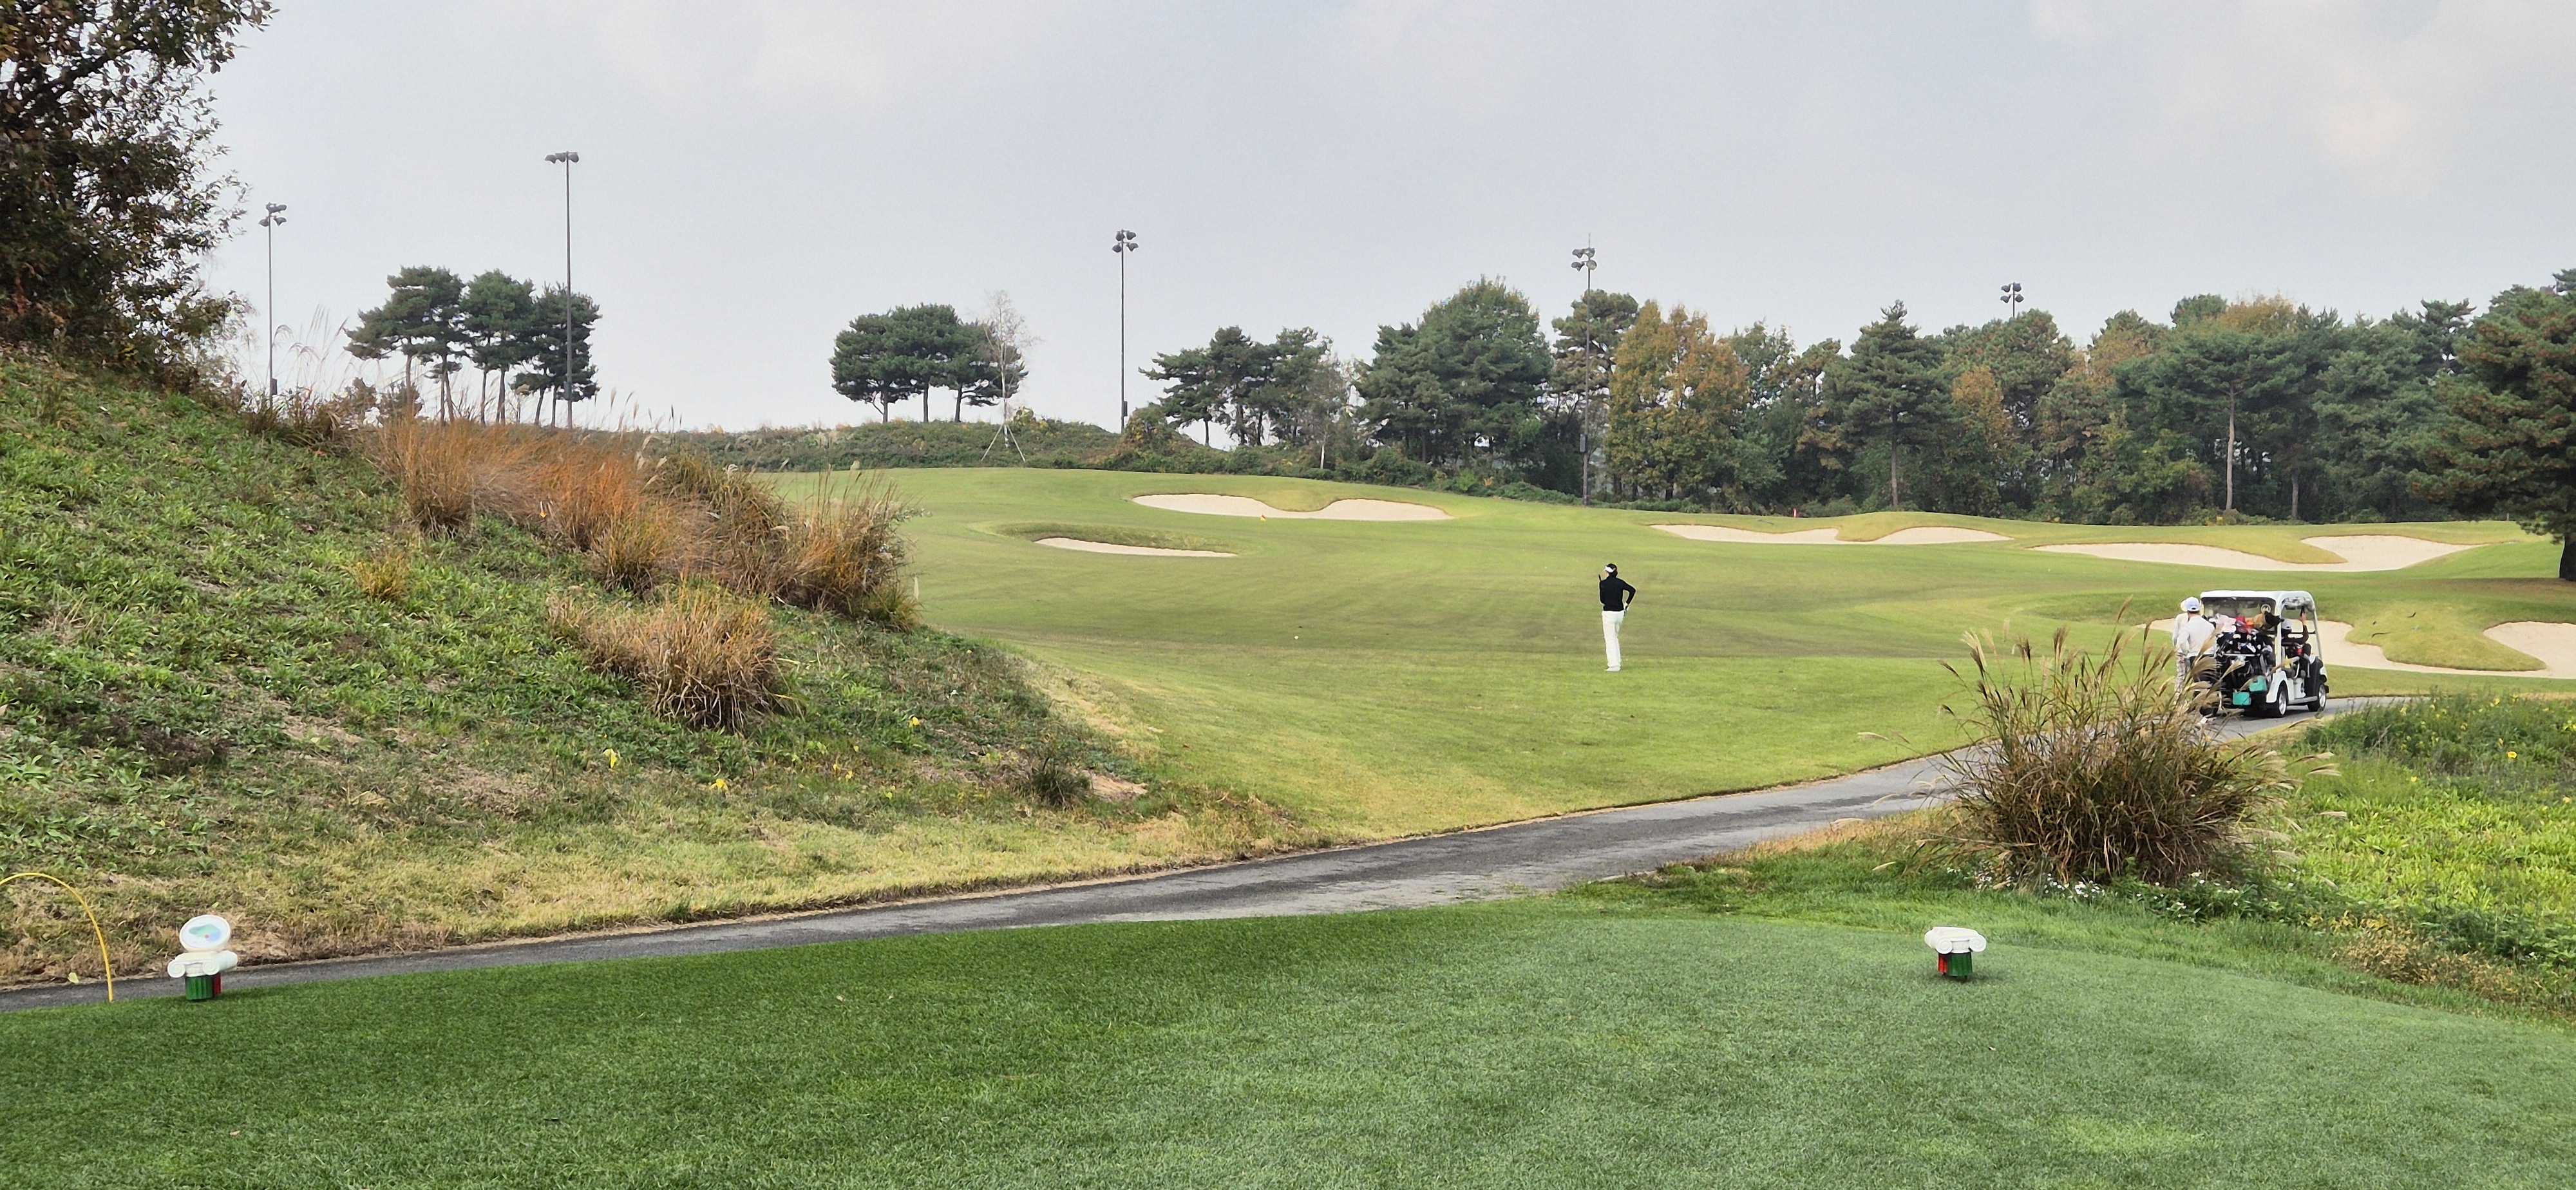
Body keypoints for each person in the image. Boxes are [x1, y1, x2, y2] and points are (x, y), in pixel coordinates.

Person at [1599, 564, 1636, 672]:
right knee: (1614, 637)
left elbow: (1603, 600)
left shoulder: (1603, 584)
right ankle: (1617, 662)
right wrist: (1627, 604)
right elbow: (1632, 590)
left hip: (1609, 614)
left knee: (1610, 639)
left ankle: (1614, 665)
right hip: (1620, 613)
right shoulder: (1620, 582)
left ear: (1607, 572)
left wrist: (1602, 589)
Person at [2173, 596, 2215, 691]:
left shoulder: (2187, 626)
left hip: (2195, 656)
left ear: (2188, 611)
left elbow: (2182, 641)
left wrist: (2186, 653)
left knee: (2198, 682)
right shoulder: (2210, 625)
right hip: (2209, 656)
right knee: (2209, 682)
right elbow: (2214, 642)